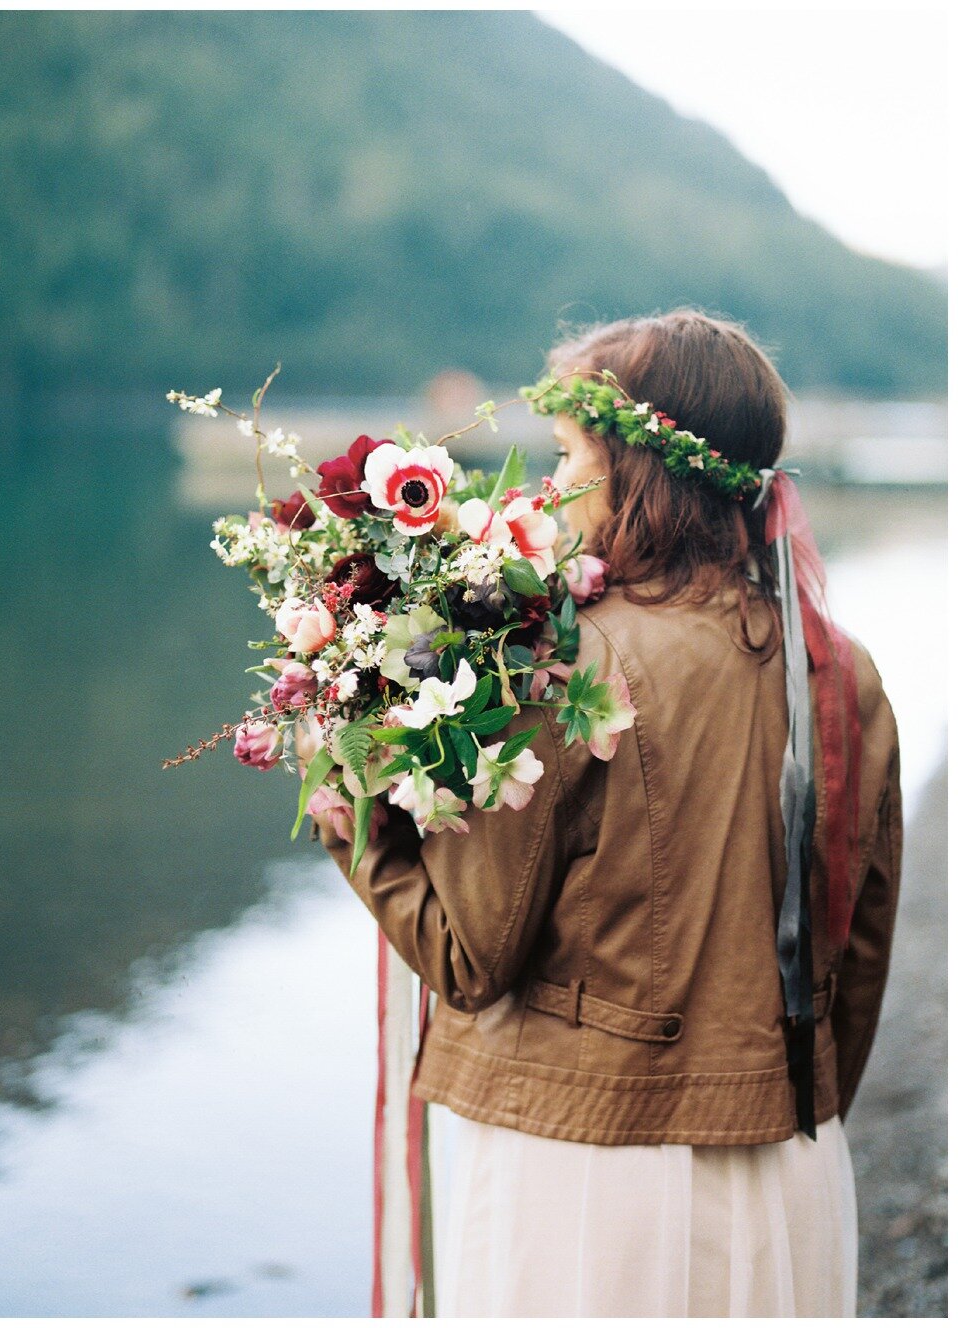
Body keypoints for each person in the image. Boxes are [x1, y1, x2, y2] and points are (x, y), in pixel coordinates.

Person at [323, 310, 902, 1315]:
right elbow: (859, 944)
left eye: (562, 455)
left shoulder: (567, 663)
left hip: (584, 1175)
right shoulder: (842, 670)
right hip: (789, 1163)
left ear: (633, 468)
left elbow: (468, 954)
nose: (545, 488)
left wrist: (359, 810)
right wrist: (778, 1091)